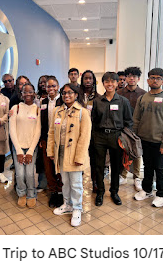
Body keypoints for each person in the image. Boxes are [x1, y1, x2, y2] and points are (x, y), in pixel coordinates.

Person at [47, 83, 91, 227]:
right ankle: (68, 204)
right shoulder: (57, 111)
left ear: (76, 94)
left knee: (76, 183)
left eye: (70, 93)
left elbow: (85, 137)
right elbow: (52, 132)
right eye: (64, 93)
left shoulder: (82, 112)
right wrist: (51, 151)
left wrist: (79, 157)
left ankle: (78, 208)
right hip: (60, 154)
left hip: (75, 155)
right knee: (65, 182)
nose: (67, 95)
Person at [133, 68, 163, 207]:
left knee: (159, 168)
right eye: (152, 77)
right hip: (144, 139)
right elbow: (136, 120)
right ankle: (147, 190)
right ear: (147, 80)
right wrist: (135, 138)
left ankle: (162, 194)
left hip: (159, 142)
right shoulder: (143, 98)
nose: (155, 80)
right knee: (147, 166)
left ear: (162, 81)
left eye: (158, 78)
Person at [91, 72, 133, 206]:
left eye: (112, 82)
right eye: (107, 82)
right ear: (103, 84)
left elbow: (129, 121)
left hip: (117, 136)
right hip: (100, 136)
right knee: (99, 166)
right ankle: (100, 192)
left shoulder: (123, 101)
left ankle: (114, 192)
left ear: (117, 83)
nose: (110, 84)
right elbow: (94, 120)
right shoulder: (97, 101)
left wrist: (123, 137)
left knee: (116, 166)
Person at [9, 83, 41, 208]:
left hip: (31, 147)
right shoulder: (15, 108)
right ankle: (21, 193)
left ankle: (31, 195)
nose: (27, 94)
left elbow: (38, 131)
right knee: (20, 173)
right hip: (18, 146)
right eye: (25, 92)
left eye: (30, 91)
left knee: (29, 174)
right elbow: (12, 130)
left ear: (34, 93)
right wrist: (18, 150)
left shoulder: (37, 110)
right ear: (21, 94)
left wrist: (30, 151)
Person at [117, 66, 147, 191]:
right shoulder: (119, 93)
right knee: (122, 151)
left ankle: (137, 177)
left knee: (136, 152)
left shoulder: (144, 94)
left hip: (137, 129)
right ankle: (122, 175)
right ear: (126, 78)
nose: (131, 79)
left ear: (138, 79)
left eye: (134, 76)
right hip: (122, 128)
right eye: (129, 76)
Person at [40, 76, 63, 207]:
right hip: (46, 139)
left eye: (53, 86)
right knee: (48, 168)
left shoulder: (63, 101)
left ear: (58, 86)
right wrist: (41, 139)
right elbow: (40, 122)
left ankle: (61, 192)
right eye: (49, 86)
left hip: (60, 140)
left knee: (59, 167)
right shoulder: (43, 102)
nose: (51, 88)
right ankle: (53, 192)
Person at [79, 70, 100, 193]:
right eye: (85, 78)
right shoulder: (76, 95)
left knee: (94, 159)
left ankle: (95, 183)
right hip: (78, 132)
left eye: (90, 78)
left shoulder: (98, 97)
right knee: (79, 157)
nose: (88, 81)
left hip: (93, 133)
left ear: (93, 80)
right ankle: (77, 183)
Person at [35, 75, 49, 193]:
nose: (43, 84)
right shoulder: (35, 97)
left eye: (45, 82)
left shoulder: (54, 98)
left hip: (49, 132)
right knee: (41, 160)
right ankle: (42, 183)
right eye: (41, 82)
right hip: (37, 131)